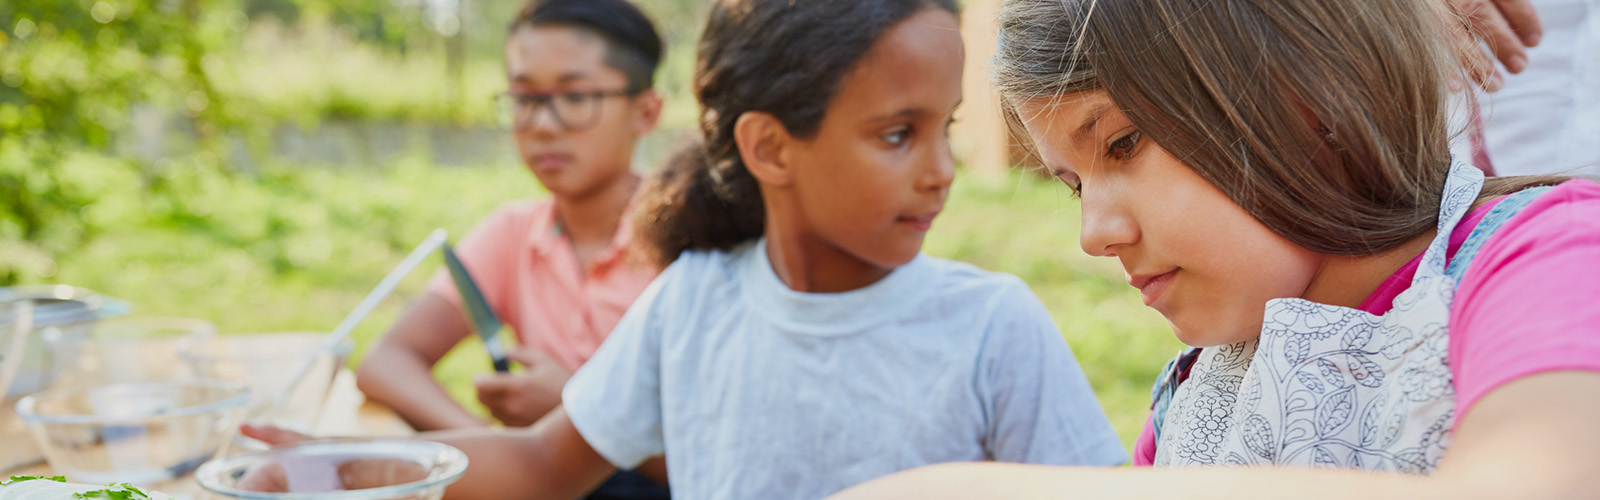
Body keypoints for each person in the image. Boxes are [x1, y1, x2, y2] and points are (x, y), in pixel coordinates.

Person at [247, 0, 1126, 498]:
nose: (941, 171)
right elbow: (546, 463)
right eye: (899, 134)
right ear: (770, 147)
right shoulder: (695, 299)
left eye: (947, 131)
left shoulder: (991, 325)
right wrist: (351, 468)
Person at [829, 0, 1600, 497]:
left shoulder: (1542, 255)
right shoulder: (1195, 396)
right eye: (1072, 185)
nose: (1095, 234)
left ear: (1305, 95)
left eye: (1123, 145)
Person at [352, 0, 670, 497]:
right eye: (524, 97)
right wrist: (485, 448)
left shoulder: (689, 244)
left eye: (576, 95)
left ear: (646, 111)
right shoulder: (513, 235)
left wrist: (574, 409)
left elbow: (730, 451)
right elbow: (386, 362)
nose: (542, 124)